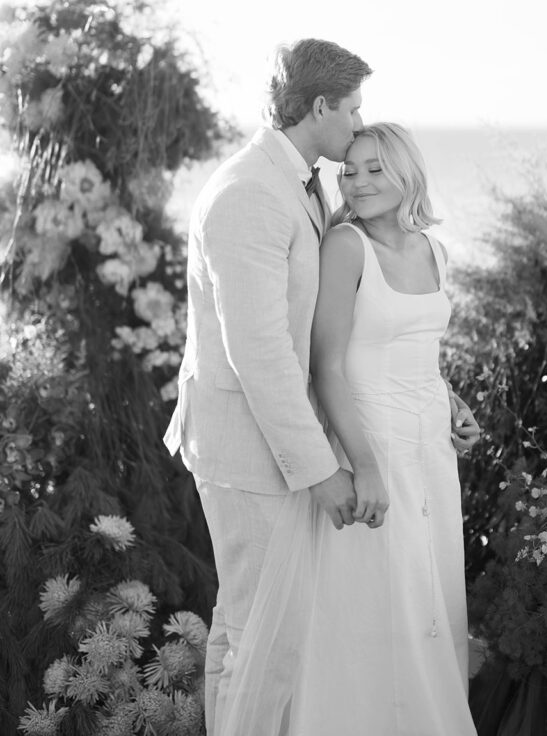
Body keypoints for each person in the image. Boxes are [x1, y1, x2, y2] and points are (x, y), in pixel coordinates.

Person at [220, 122, 480, 736]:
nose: (357, 182)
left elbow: (419, 352)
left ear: (407, 173)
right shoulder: (345, 246)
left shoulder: (434, 252)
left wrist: (454, 405)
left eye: (372, 169)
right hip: (371, 441)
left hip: (431, 457)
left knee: (428, 601)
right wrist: (364, 465)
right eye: (349, 170)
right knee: (369, 609)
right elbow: (329, 366)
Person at [162, 38, 373, 736]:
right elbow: (258, 352)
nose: (358, 124)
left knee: (244, 628)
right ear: (318, 106)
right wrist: (318, 468)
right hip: (249, 451)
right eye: (352, 109)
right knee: (266, 640)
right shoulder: (249, 192)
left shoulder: (290, 179)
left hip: (258, 444)